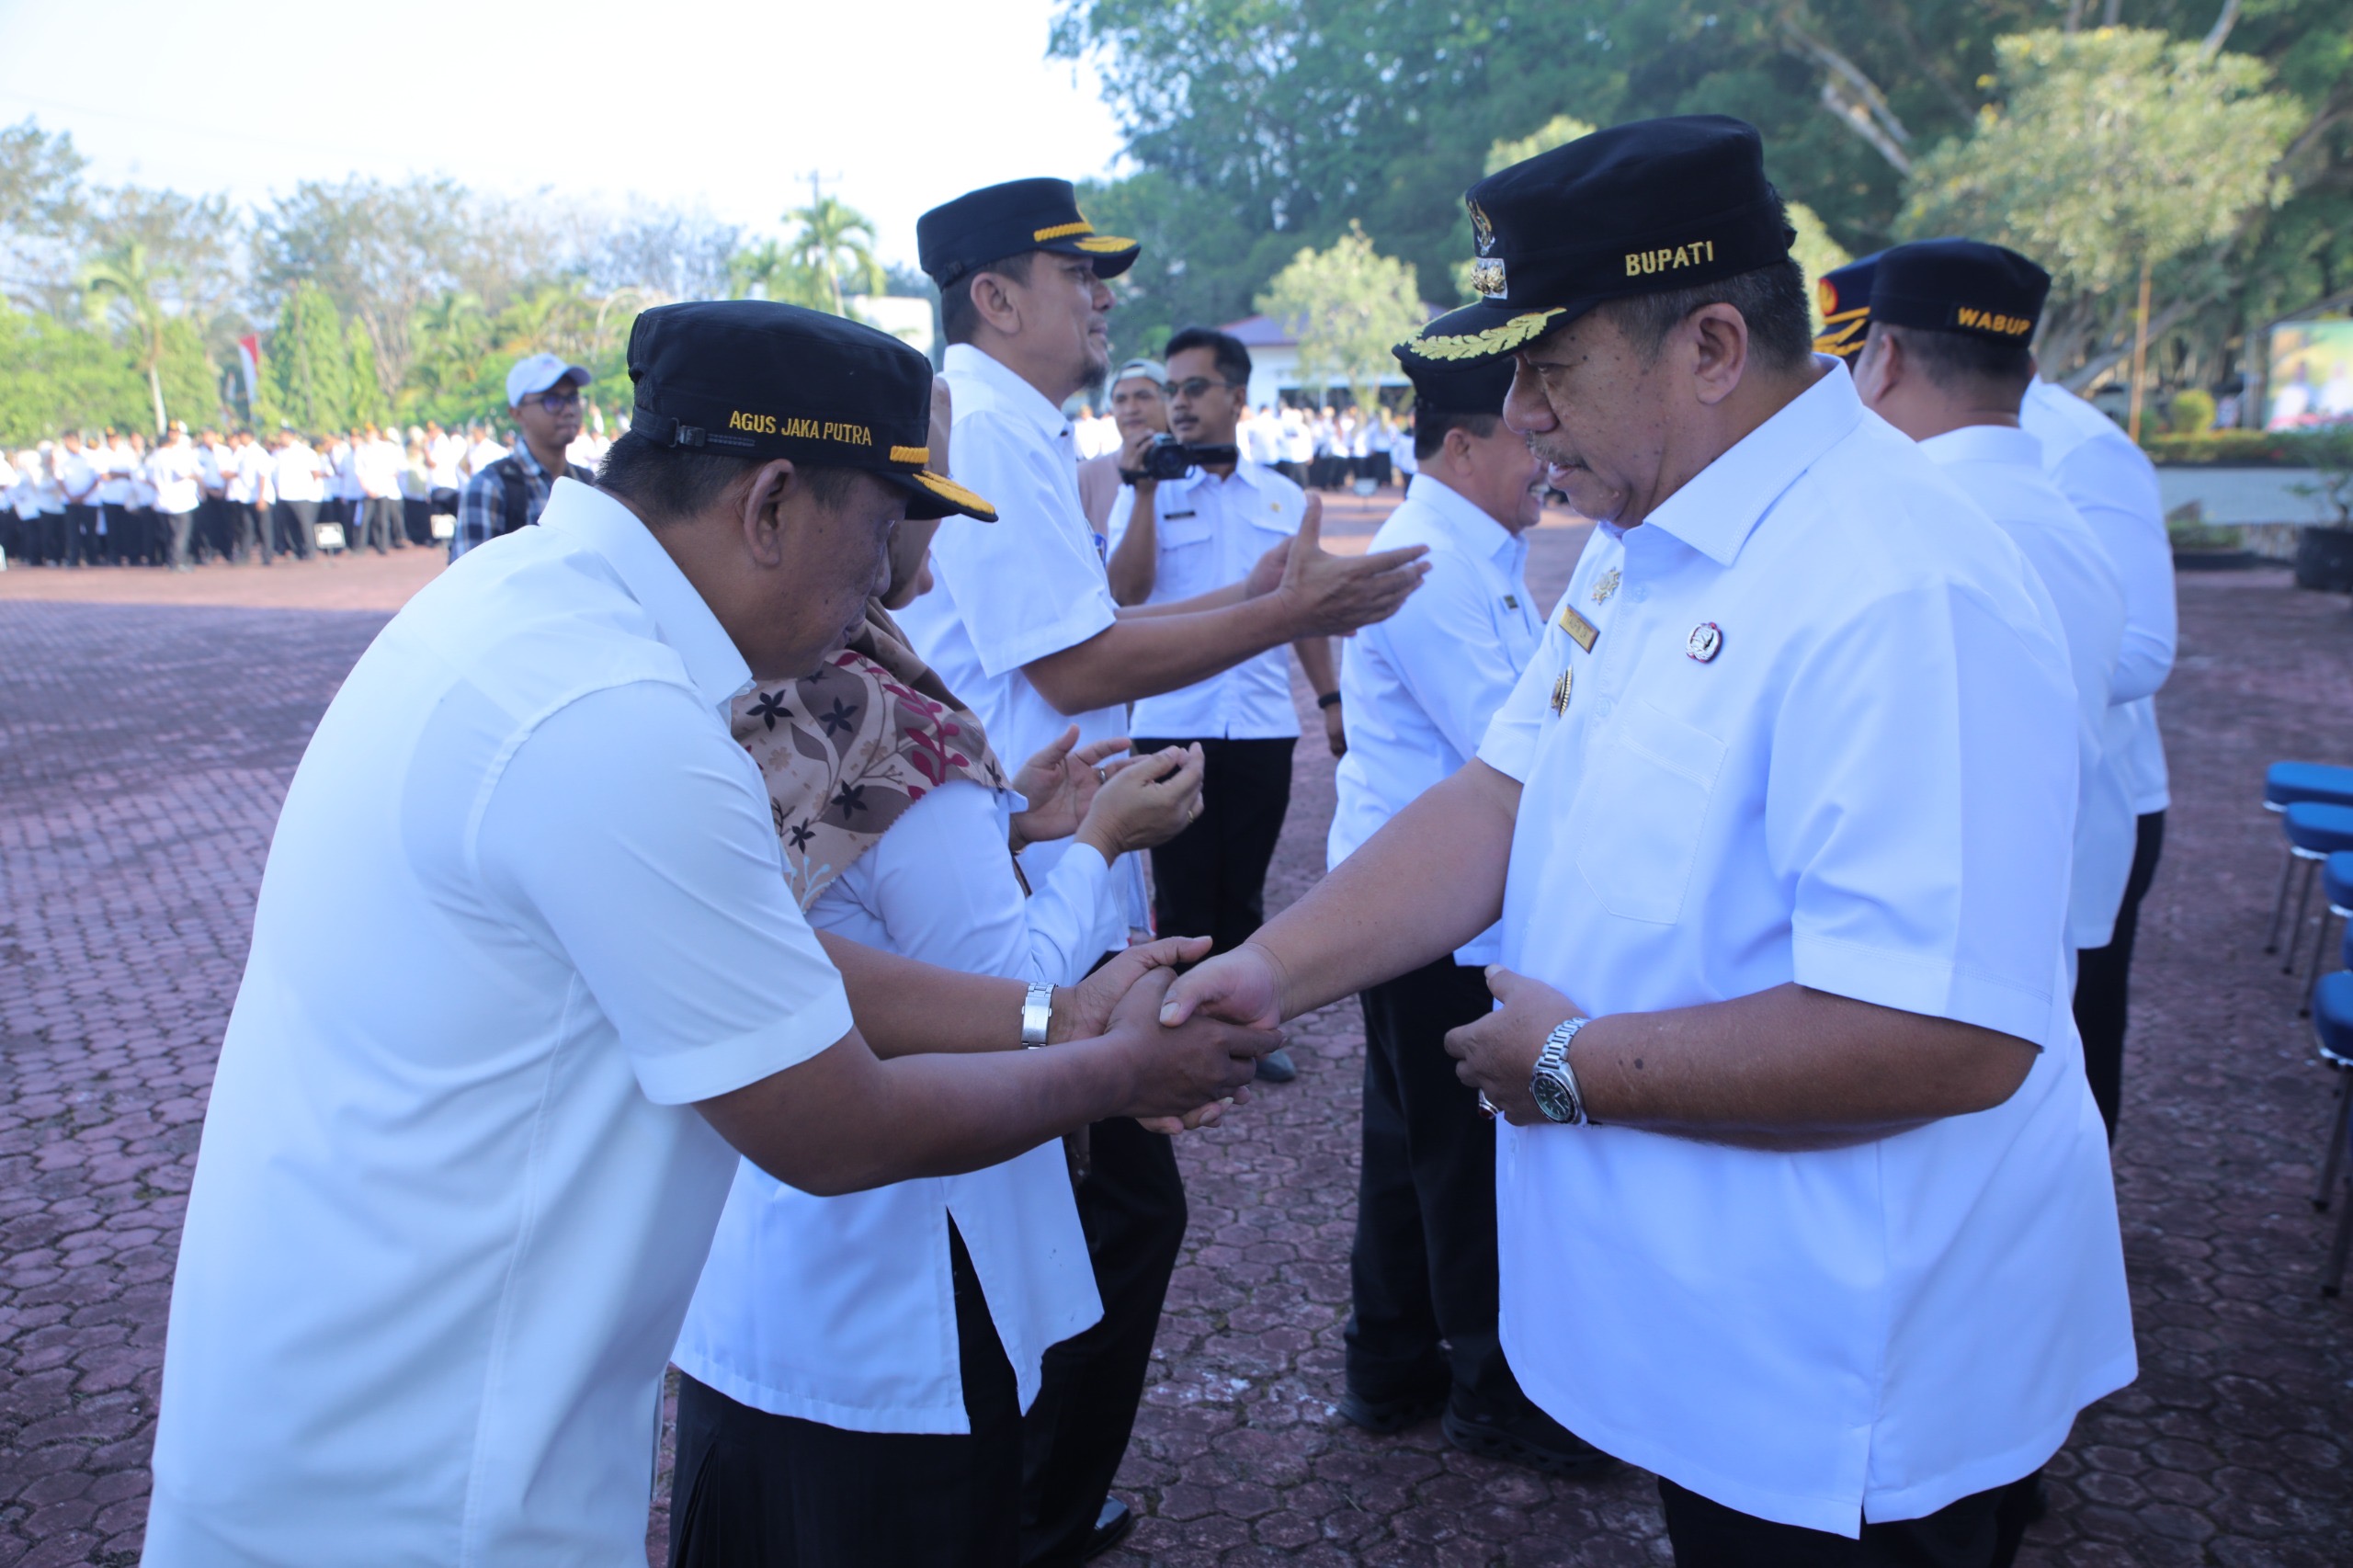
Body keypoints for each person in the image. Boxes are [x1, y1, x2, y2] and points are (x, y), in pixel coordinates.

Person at [142, 300, 1276, 1568]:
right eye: (883, 526)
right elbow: (836, 1127)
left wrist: (1049, 1017)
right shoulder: (616, 715)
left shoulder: (516, 609)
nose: (892, 578)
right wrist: (1118, 1068)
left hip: (340, 1422)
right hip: (430, 1489)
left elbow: (751, 956)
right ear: (772, 503)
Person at [1161, 116, 2134, 1566]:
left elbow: (1945, 1036)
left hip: (1846, 1386)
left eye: (1550, 367)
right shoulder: (1648, 540)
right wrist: (1266, 972)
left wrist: (1569, 1066)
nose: (1522, 413)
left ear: (1713, 347)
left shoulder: (1903, 583)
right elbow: (1500, 798)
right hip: (1721, 1344)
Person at [901, 176, 1429, 1567]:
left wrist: (1263, 604)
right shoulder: (994, 430)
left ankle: (1016, 1499)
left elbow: (1085, 630)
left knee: (1068, 1201)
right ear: (993, 297)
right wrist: (1286, 610)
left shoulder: (1018, 425)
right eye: (1075, 275)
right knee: (1110, 1203)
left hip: (1025, 842)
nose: (1103, 299)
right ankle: (1027, 1510)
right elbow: (1079, 664)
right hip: (1009, 868)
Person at [670, 483, 1212, 1566]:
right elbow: (1007, 1001)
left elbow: (835, 918)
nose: (932, 531)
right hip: (906, 1278)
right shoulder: (893, 725)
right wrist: (1099, 843)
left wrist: (1002, 824)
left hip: (746, 1262)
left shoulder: (710, 677)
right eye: (912, 503)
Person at [1324, 325, 1608, 1474]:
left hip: (1426, 905)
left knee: (1409, 1149)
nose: (1544, 455)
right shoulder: (1430, 563)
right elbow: (1519, 750)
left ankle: (1389, 1364)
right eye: (1522, 433)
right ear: (1458, 445)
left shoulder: (1462, 547)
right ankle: (1494, 1395)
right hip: (1433, 908)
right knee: (1460, 1163)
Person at [1849, 240, 2134, 989]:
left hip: (1900, 976)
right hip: (2025, 954)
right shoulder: (2071, 533)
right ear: (2029, 374)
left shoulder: (1894, 527)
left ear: (1885, 362)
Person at [1104, 324, 1340, 1079]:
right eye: (1172, 389)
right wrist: (1144, 492)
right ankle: (1175, 1036)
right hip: (1172, 723)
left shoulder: (1282, 496)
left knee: (1244, 892)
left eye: (1195, 387)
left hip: (1264, 725)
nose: (1179, 403)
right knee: (1181, 897)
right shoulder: (1144, 492)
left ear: (1238, 396)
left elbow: (1302, 612)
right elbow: (1124, 592)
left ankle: (1243, 1033)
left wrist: (1330, 700)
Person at [2022, 368, 2176, 1143]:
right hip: (2010, 799)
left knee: (2077, 1040)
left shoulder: (2082, 448)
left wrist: (1978, 671)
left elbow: (2146, 648)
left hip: (2097, 805)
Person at [449, 353, 601, 560]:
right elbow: (469, 576)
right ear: (517, 413)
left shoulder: (589, 485)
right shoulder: (490, 488)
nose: (569, 410)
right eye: (552, 400)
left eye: (573, 398)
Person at [1076, 358, 1166, 534]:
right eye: (1121, 400)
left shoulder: (1196, 468)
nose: (1131, 409)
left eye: (1143, 397)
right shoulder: (1085, 477)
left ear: (1169, 401)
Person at [151, 423, 206, 572]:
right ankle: (177, 561)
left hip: (164, 499)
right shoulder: (170, 455)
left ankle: (171, 560)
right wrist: (195, 476)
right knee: (181, 534)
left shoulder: (155, 456)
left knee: (171, 534)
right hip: (179, 500)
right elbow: (181, 473)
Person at [350, 422, 405, 553]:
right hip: (368, 490)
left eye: (371, 432)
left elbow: (392, 470)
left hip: (383, 488)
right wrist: (366, 488)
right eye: (367, 433)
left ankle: (383, 546)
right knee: (365, 519)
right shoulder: (361, 449)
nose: (369, 435)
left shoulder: (386, 448)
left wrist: (380, 487)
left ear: (377, 433)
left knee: (382, 520)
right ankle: (361, 547)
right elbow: (359, 471)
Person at [270, 429, 324, 561]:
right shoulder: (277, 453)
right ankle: (298, 550)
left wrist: (308, 488)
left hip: (300, 494)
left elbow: (315, 473)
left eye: (284, 436)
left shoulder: (305, 452)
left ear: (292, 436)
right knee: (290, 526)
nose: (282, 439)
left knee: (305, 524)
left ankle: (310, 551)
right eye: (281, 436)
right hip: (283, 494)